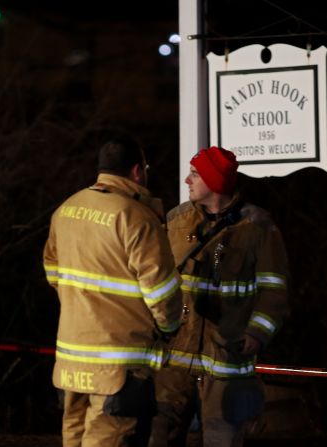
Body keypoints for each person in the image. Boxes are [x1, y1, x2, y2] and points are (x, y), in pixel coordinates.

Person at [43, 136, 184, 447]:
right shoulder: (136, 217)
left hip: (71, 360)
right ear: (137, 171)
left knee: (74, 439)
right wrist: (170, 327)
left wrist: (82, 303)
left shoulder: (66, 209)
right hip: (119, 367)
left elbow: (53, 273)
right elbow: (161, 292)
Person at [148, 146, 290, 447]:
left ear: (214, 182)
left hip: (226, 364)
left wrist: (256, 333)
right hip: (173, 366)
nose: (187, 180)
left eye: (195, 174)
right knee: (158, 438)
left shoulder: (258, 227)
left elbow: (274, 291)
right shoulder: (176, 221)